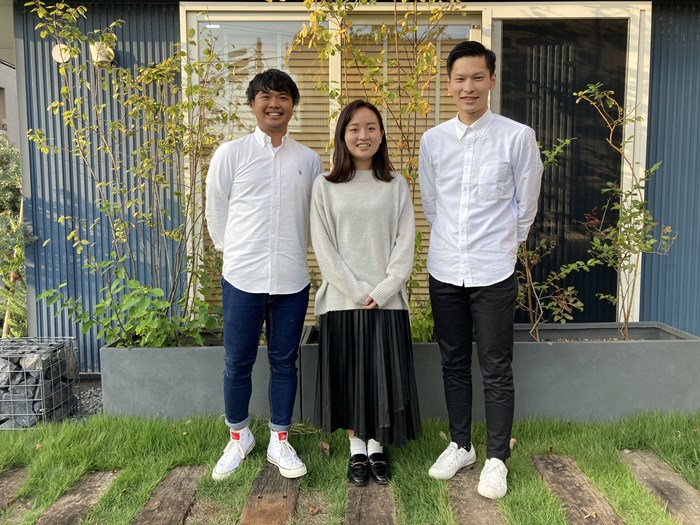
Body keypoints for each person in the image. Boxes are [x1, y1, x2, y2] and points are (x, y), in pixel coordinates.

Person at [419, 41, 543, 499]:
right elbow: (432, 204)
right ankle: (460, 445)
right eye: (459, 78)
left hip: (493, 270)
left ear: (491, 79)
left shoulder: (517, 137)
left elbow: (525, 205)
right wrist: (455, 242)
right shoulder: (433, 141)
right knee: (453, 361)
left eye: (477, 77)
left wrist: (504, 244)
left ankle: (496, 458)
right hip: (445, 268)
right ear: (449, 84)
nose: (468, 87)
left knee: (495, 365)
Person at [205, 69, 322, 481]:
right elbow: (216, 210)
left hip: (291, 277)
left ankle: (279, 439)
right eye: (266, 97)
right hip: (243, 277)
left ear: (293, 106)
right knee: (237, 361)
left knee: (284, 362)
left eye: (283, 97)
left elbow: (315, 216)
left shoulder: (308, 160)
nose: (275, 104)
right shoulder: (231, 154)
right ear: (252, 104)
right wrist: (234, 254)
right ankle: (239, 437)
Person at [310, 100, 421, 486]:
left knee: (380, 378)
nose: (363, 135)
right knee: (350, 379)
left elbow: (405, 242)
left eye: (371, 127)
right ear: (342, 135)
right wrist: (357, 292)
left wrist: (386, 288)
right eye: (354, 128)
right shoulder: (325, 186)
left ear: (381, 134)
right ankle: (356, 449)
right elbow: (323, 247)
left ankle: (377, 448)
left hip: (388, 302)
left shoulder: (396, 185)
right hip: (343, 300)